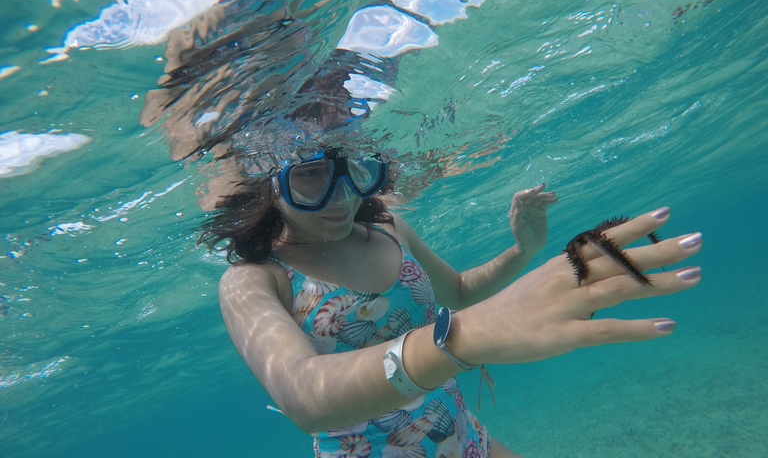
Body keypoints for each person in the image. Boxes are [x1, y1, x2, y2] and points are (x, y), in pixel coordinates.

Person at [199, 146, 703, 458]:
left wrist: (522, 250)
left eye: (353, 169)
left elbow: (460, 291)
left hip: (460, 434)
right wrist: (468, 335)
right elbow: (304, 398)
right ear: (268, 182)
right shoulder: (253, 280)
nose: (340, 195)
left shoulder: (388, 228)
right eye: (309, 174)